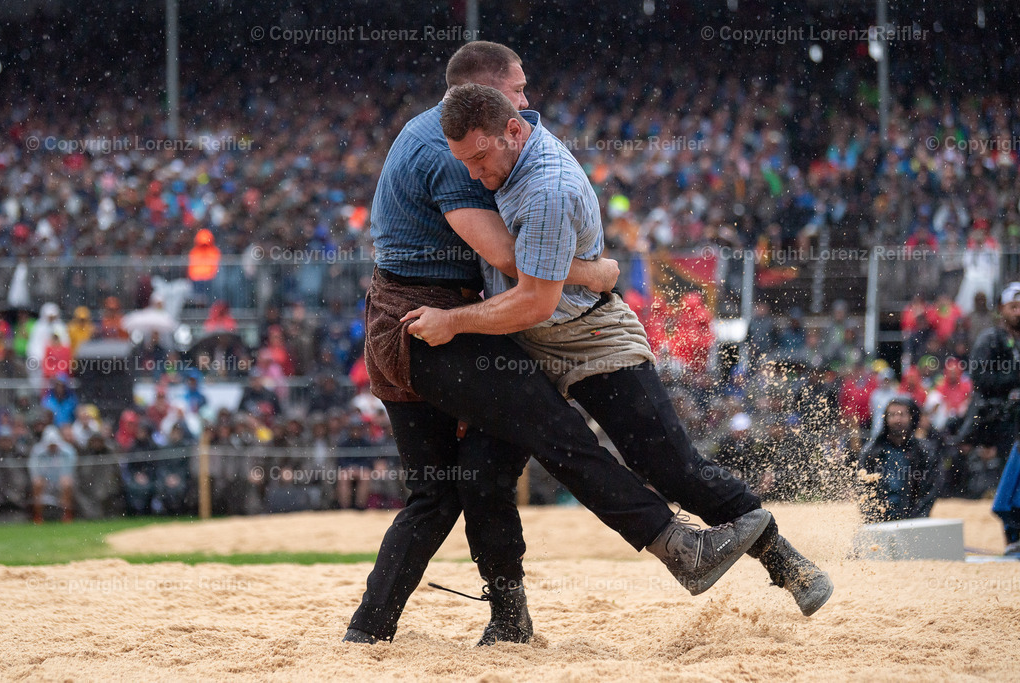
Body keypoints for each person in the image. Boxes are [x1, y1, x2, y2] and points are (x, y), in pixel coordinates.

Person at [344, 41, 772, 647]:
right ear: (488, 93)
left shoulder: (437, 131)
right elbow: (509, 258)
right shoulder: (455, 148)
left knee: (442, 491)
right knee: (554, 429)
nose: (527, 99)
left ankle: (382, 627)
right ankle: (675, 546)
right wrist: (595, 272)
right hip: (430, 324)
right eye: (518, 89)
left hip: (407, 321)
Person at [407, 81, 831, 614]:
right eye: (463, 161)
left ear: (513, 131)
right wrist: (589, 270)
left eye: (479, 158)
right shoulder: (503, 146)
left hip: (588, 336)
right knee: (483, 476)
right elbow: (527, 271)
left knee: (670, 467)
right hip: (521, 341)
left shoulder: (547, 186)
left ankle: (785, 561)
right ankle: (509, 615)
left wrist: (454, 322)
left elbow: (535, 300)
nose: (473, 174)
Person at [970, 282, 1020, 555]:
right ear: (1002, 309)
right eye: (1014, 307)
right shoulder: (990, 339)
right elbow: (979, 377)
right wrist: (1012, 379)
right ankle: (1012, 537)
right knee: (1009, 481)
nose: (1019, 312)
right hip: (1002, 422)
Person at [857, 398, 941, 523]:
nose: (897, 419)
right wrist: (873, 519)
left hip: (914, 519)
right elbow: (863, 489)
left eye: (902, 414)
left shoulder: (924, 451)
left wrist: (916, 519)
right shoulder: (871, 451)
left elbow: (931, 490)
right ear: (885, 419)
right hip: (879, 520)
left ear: (911, 417)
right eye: (892, 415)